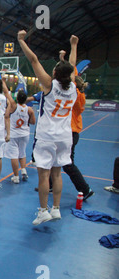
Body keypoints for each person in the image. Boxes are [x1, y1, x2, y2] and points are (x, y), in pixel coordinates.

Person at [17, 30, 77, 225]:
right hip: (64, 137)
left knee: (44, 174)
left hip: (47, 136)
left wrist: (21, 41)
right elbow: (73, 67)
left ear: (54, 73)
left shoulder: (49, 86)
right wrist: (74, 46)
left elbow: (34, 60)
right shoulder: (73, 87)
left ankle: (43, 211)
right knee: (57, 173)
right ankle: (56, 209)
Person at [61, 35, 94, 201]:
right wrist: (63, 57)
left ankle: (85, 188)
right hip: (72, 132)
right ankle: (51, 185)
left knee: (67, 164)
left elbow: (72, 67)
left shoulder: (74, 94)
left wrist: (73, 46)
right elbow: (71, 68)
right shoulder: (80, 96)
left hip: (69, 132)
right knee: (56, 158)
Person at [2, 78, 36, 184]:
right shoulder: (29, 110)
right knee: (22, 152)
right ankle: (24, 170)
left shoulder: (13, 106)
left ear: (17, 97)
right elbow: (33, 122)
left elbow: (7, 93)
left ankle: (16, 176)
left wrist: (3, 81)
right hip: (24, 134)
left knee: (14, 155)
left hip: (14, 134)